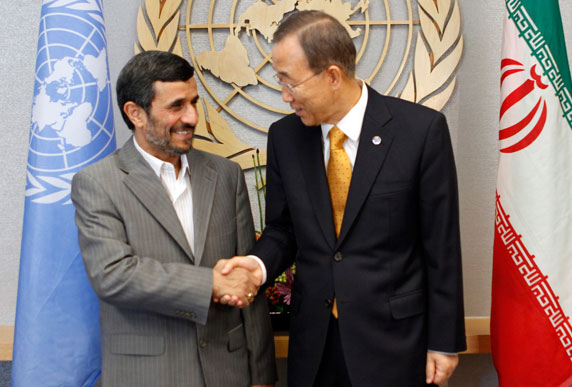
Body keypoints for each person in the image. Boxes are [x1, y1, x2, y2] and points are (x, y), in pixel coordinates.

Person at [219, 10, 466, 387]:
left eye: (290, 82)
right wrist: (257, 265)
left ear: (332, 75)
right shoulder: (286, 138)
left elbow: (441, 247)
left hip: (396, 344)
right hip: (315, 345)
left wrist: (444, 343)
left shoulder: (420, 131)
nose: (285, 96)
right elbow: (283, 229)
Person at [71, 51, 276, 387]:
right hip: (147, 375)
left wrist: (263, 375)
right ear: (135, 113)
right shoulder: (97, 183)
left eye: (194, 102)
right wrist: (210, 284)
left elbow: (245, 285)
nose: (192, 117)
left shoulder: (226, 175)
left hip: (229, 373)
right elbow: (112, 275)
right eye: (176, 106)